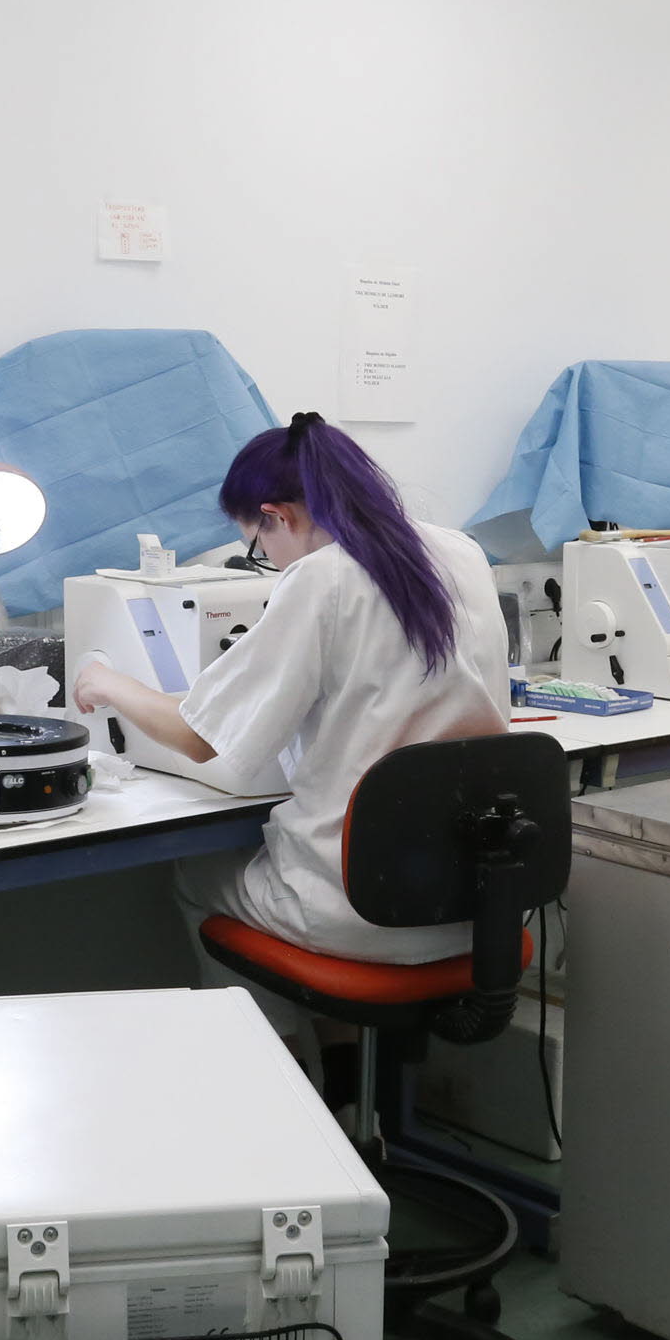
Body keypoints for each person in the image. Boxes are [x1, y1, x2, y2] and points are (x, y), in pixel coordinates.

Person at [72, 412, 508, 1074]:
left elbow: (197, 738)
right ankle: (340, 1077)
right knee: (288, 851)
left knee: (195, 876)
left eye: (256, 543)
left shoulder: (322, 578)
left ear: (276, 516)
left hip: (358, 913)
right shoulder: (460, 552)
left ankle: (287, 1092)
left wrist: (104, 680)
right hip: (476, 909)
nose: (265, 561)